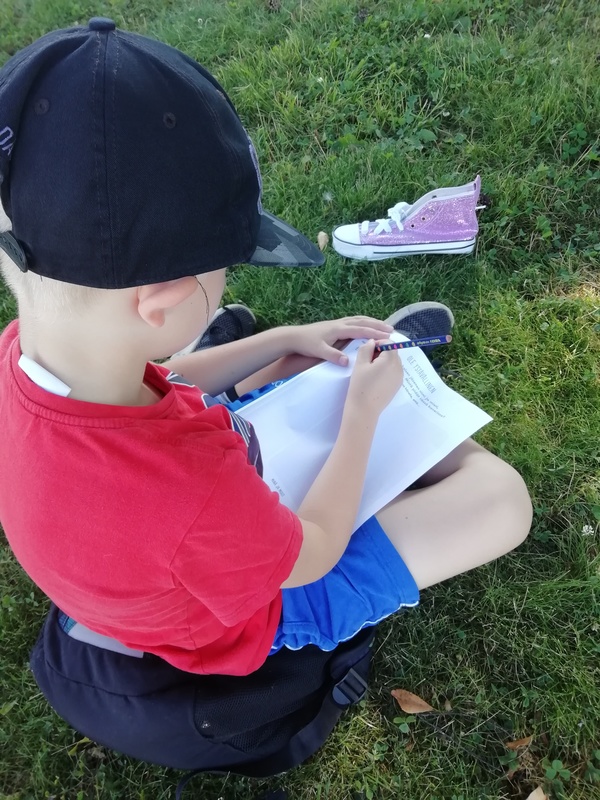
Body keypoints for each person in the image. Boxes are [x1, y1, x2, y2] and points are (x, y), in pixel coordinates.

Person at [0, 18, 532, 751]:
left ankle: (371, 382)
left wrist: (284, 340)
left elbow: (165, 376)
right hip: (254, 610)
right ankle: (412, 406)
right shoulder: (190, 491)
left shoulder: (24, 353)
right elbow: (313, 551)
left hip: (159, 553)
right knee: (501, 500)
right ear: (162, 300)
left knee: (303, 366)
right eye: (225, 267)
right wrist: (362, 420)